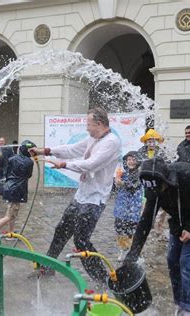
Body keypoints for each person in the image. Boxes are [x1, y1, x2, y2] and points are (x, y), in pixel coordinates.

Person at [30, 107, 121, 283]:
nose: (87, 128)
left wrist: (64, 165)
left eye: (89, 124)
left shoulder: (111, 142)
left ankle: (103, 280)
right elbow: (71, 149)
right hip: (82, 195)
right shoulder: (93, 139)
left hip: (95, 198)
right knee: (61, 231)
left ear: (99, 124)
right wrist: (44, 151)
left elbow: (90, 164)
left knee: (81, 241)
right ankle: (48, 268)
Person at [124, 157, 190, 315]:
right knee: (172, 260)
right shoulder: (153, 187)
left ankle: (188, 309)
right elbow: (146, 221)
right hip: (177, 223)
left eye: (158, 190)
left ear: (166, 180)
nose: (155, 194)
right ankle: (179, 304)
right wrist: (133, 254)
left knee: (187, 262)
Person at [0, 140, 35, 243]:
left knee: (12, 213)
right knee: (9, 216)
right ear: (28, 150)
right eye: (32, 151)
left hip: (10, 188)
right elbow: (28, 175)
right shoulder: (29, 162)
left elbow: (7, 171)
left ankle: (10, 233)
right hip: (17, 190)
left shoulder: (12, 159)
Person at [113, 151, 143, 261]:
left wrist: (122, 184)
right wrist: (116, 182)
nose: (131, 162)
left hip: (133, 206)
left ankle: (132, 250)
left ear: (137, 161)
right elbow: (115, 188)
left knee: (130, 228)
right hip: (121, 205)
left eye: (133, 159)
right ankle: (123, 248)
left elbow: (134, 186)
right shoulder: (123, 173)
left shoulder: (140, 173)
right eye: (129, 159)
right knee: (119, 226)